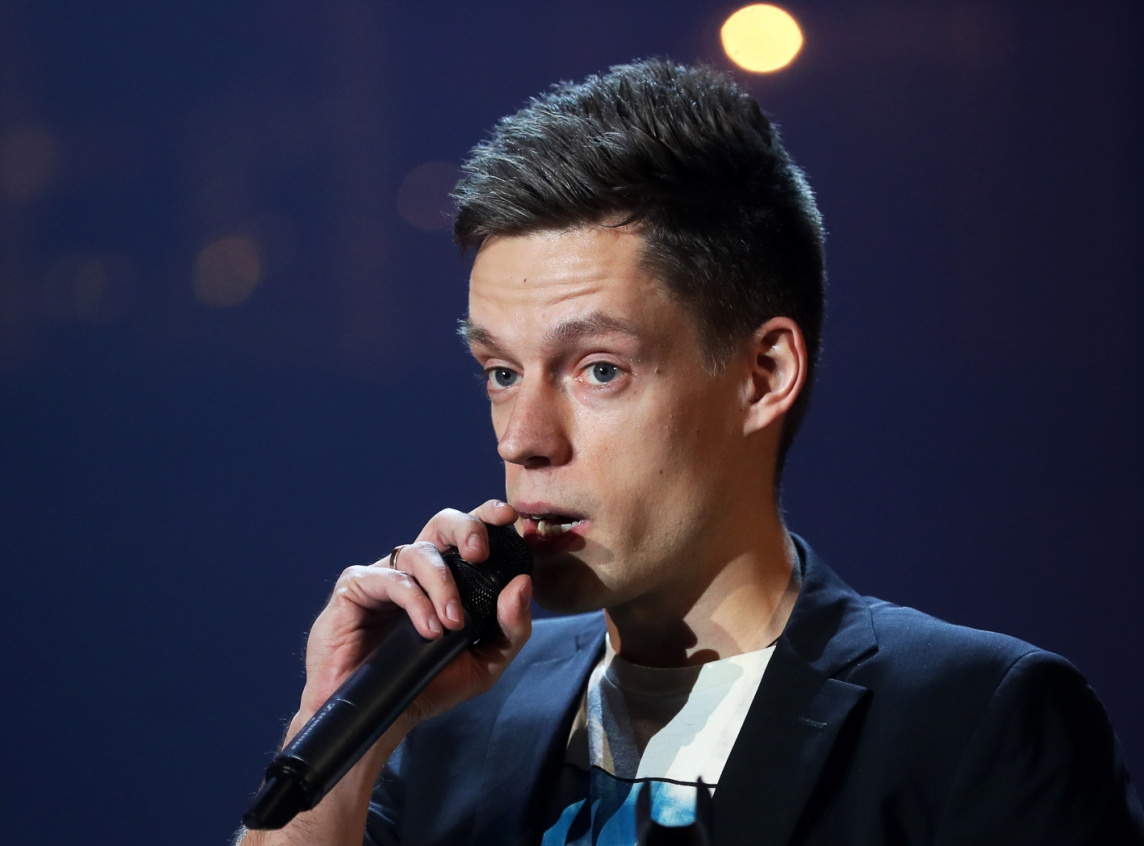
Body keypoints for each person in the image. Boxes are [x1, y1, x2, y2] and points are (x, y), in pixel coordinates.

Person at [240, 60, 1144, 845]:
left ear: (762, 374)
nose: (524, 439)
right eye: (502, 372)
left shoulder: (970, 721)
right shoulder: (448, 715)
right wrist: (339, 720)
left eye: (598, 369)